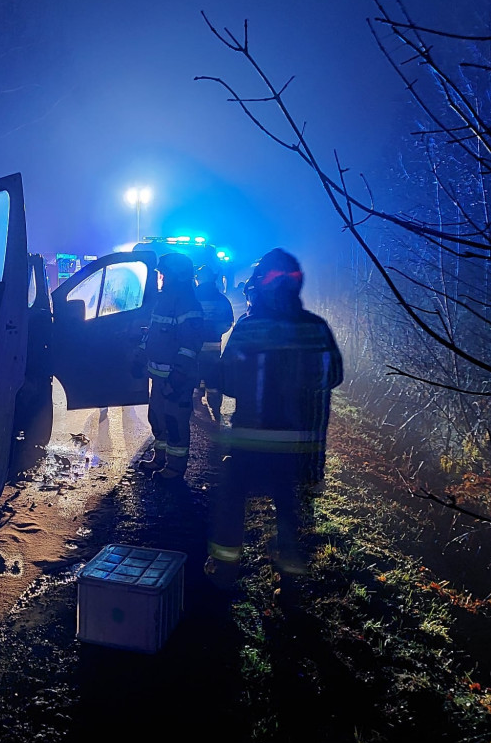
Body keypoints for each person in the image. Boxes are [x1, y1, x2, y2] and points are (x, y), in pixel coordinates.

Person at [204, 248, 344, 588]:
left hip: (251, 440)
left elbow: (229, 383)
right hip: (299, 445)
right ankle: (290, 581)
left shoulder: (251, 328)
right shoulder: (316, 328)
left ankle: (224, 573)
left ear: (259, 287)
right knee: (289, 508)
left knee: (231, 501)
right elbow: (334, 376)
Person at [135, 252, 205, 486]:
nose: (161, 277)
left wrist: (178, 374)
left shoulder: (187, 303)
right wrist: (140, 354)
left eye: (164, 273)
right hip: (160, 377)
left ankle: (175, 469)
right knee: (157, 418)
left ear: (177, 275)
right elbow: (153, 334)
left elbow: (191, 343)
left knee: (174, 423)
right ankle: (160, 458)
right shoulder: (164, 301)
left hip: (178, 379)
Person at [193, 262, 235, 427]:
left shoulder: (193, 297)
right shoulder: (222, 300)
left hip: (193, 349)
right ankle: (215, 415)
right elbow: (228, 322)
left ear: (198, 280)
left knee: (194, 381)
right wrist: (214, 331)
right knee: (213, 382)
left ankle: (195, 418)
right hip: (213, 349)